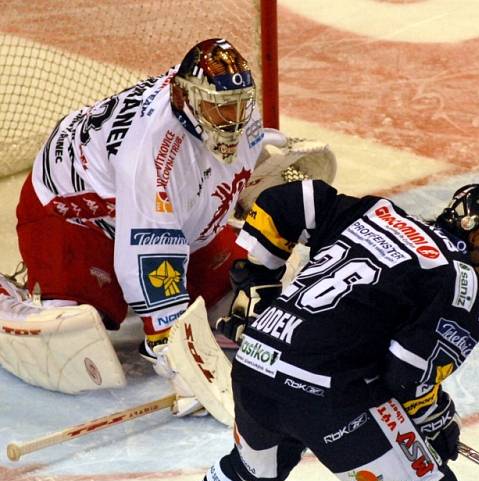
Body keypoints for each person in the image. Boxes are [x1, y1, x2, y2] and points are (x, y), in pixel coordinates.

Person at [150, 178, 479, 481]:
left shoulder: (377, 214)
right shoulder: (459, 282)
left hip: (255, 363)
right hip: (324, 394)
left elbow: (291, 200)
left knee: (254, 466)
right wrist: (435, 419)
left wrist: (256, 279)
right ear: (476, 234)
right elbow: (404, 377)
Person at [1, 38, 333, 412]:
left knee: (228, 287)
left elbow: (228, 165)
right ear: (183, 97)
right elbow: (148, 262)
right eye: (219, 109)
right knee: (78, 337)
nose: (232, 120)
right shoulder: (151, 153)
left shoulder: (232, 112)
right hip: (74, 217)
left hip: (152, 210)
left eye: (238, 106)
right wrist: (179, 358)